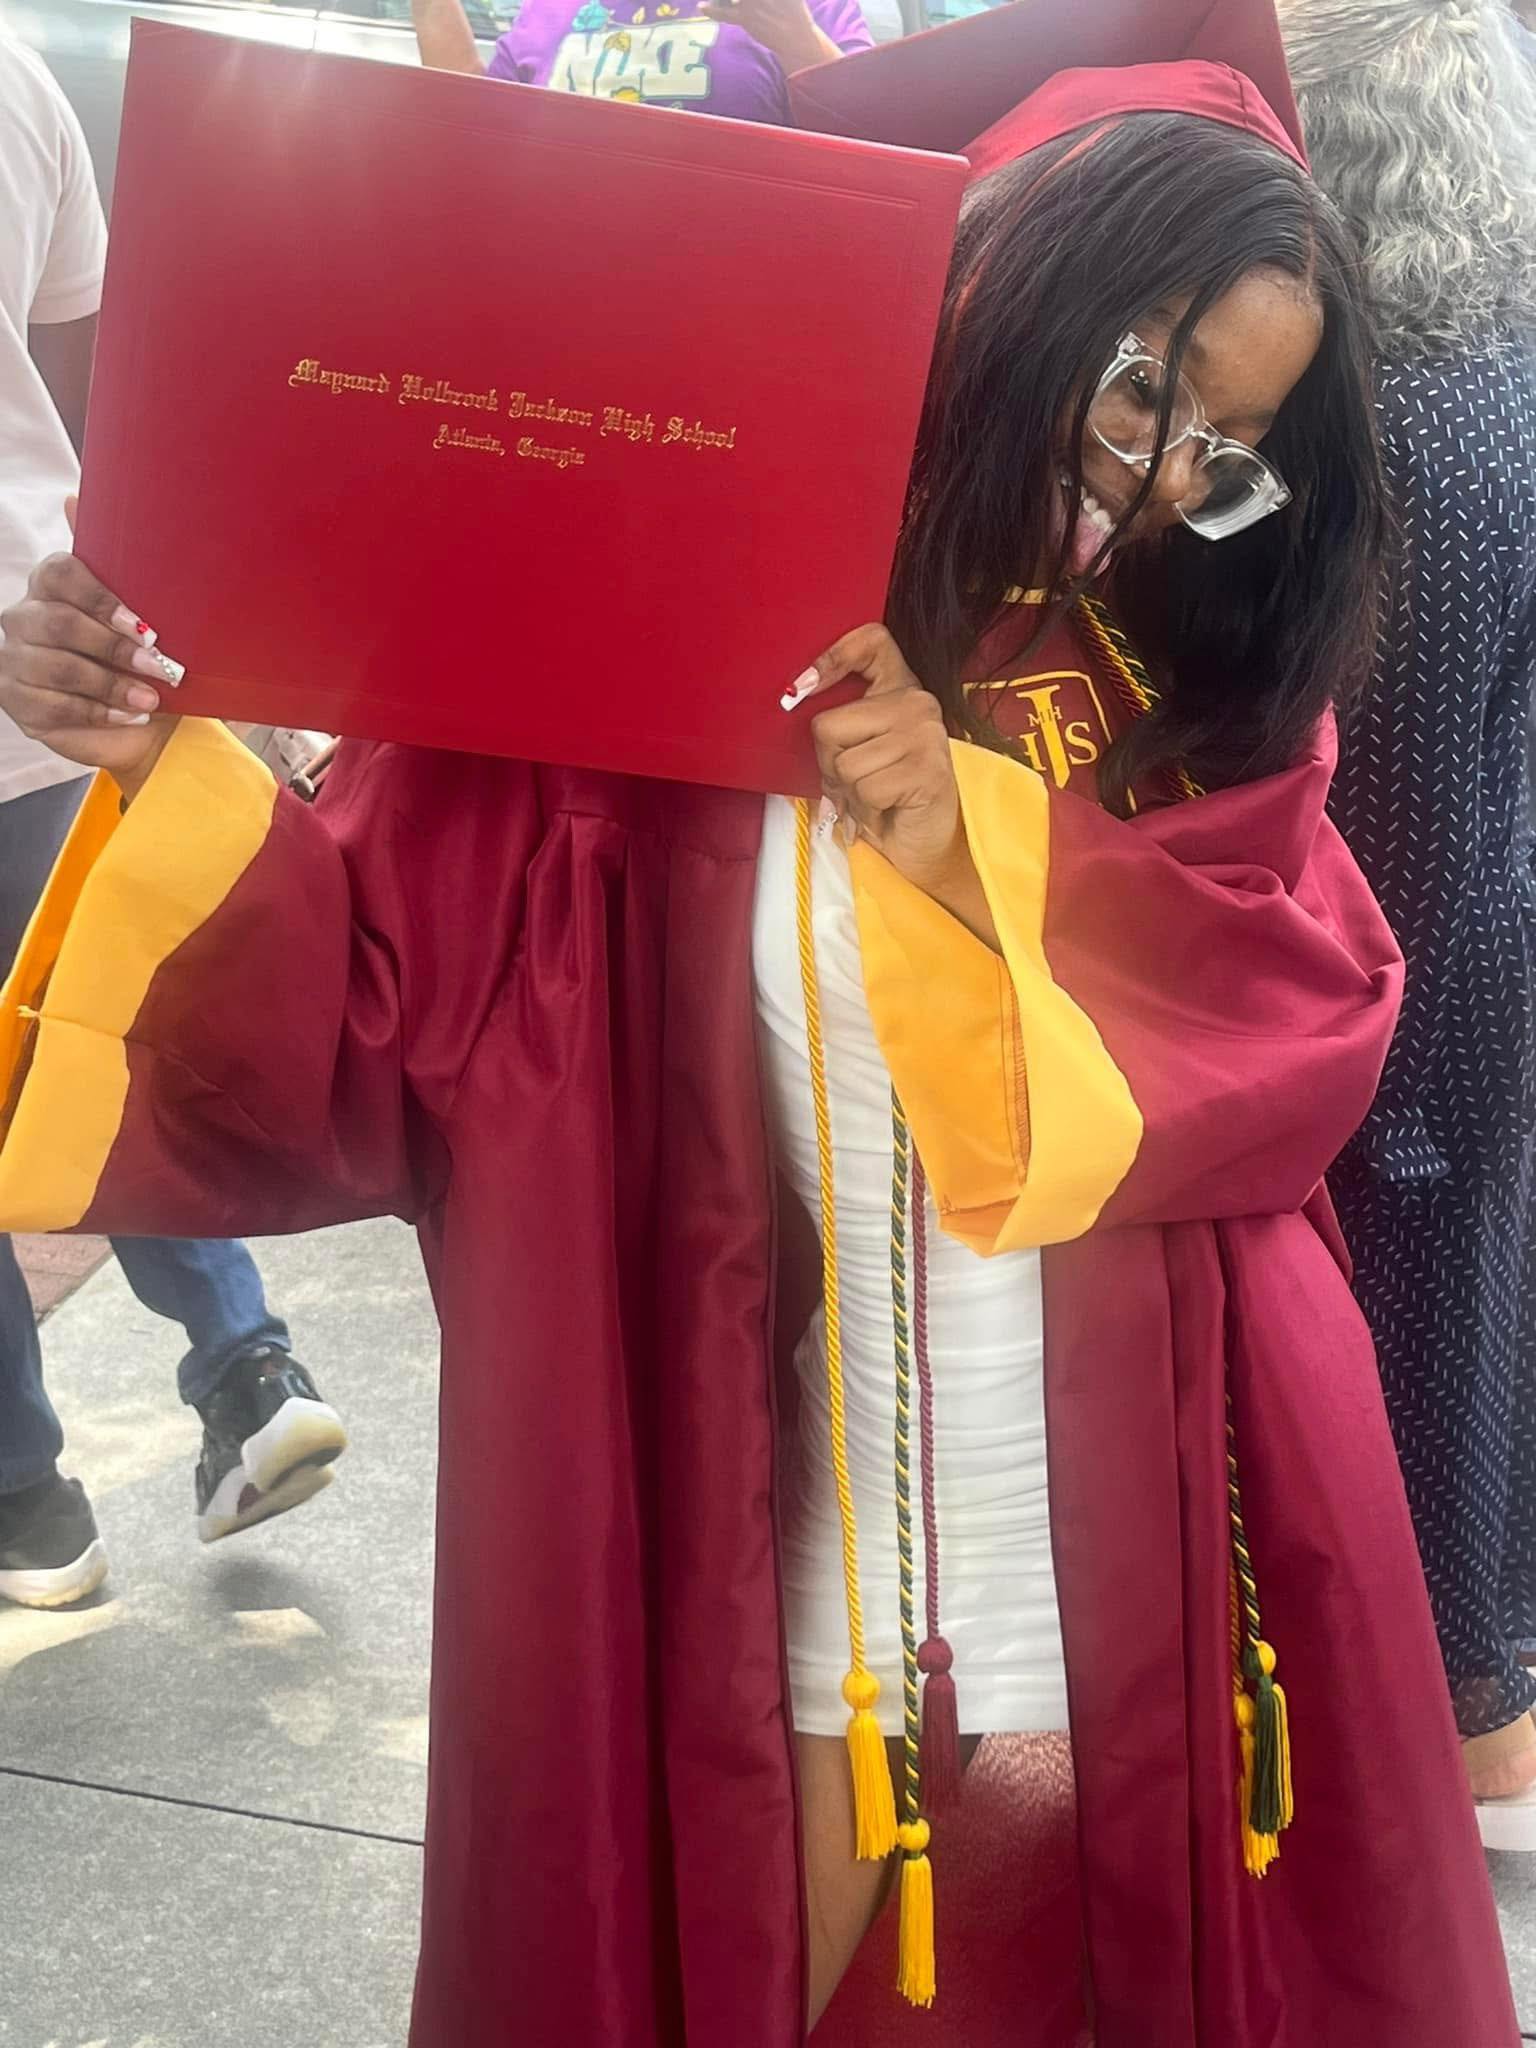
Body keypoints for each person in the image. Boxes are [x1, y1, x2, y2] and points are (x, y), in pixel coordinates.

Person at [0, 0, 1518, 2039]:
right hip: (765, 1499)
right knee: (768, 1933)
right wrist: (167, 751)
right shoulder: (638, 648)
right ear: (997, 284)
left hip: (1148, 1482)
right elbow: (384, 1012)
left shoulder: (1182, 686)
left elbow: (1307, 1000)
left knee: (1120, 1942)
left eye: (1226, 451)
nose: (1154, 484)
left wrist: (967, 835)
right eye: (1139, 385)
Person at [0, 29, 348, 1608]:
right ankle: (243, 1370)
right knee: (100, 1048)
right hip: (53, 663)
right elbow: (84, 391)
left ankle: (25, 1506)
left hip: (53, 666)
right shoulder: (18, 70)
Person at [1277, 0, 1536, 1847]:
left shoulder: (1413, 420)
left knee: (1431, 1318)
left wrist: (1373, 1073)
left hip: (1429, 976)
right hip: (1496, 934)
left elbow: (1410, 794)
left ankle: (1459, 1739)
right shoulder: (1499, 358)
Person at [412, 0, 871, 121]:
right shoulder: (547, 7)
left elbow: (884, 138)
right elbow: (478, 132)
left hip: (735, 297)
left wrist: (798, 41)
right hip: (562, 287)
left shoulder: (809, 5)